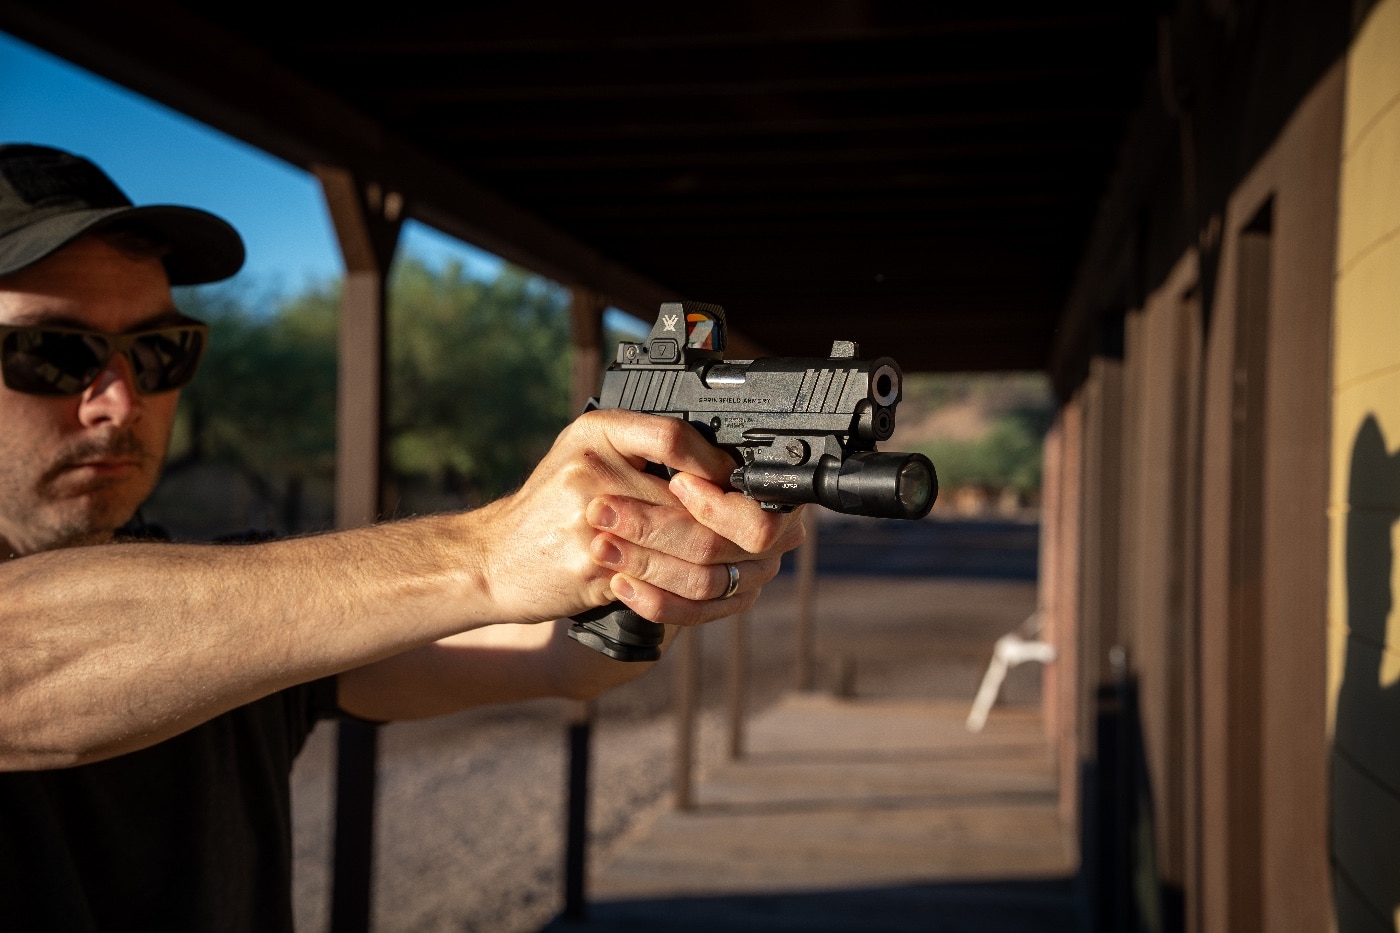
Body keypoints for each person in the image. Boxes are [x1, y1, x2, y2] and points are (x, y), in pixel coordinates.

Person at [0, 143, 804, 930]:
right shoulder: (224, 604)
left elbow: (560, 656)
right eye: (52, 353)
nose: (119, 399)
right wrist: (486, 552)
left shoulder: (231, 606)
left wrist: (645, 542)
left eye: (157, 351)